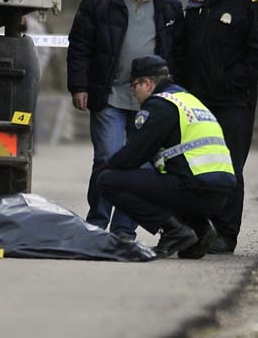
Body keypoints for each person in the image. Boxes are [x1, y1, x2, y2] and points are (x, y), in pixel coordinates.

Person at [67, 0, 183, 240]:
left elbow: (177, 52)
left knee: (142, 165)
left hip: (150, 102)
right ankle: (97, 223)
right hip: (110, 95)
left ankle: (123, 230)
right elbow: (80, 46)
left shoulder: (169, 6)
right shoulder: (99, 1)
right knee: (107, 157)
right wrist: (79, 86)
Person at [175, 0, 258, 254]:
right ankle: (196, 228)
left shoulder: (254, 1)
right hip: (196, 99)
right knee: (193, 163)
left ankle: (226, 232)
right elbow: (185, 41)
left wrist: (228, 80)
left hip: (234, 101)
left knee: (229, 166)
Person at [96, 55, 236, 258]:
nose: (134, 94)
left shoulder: (159, 105)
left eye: (134, 87)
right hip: (220, 193)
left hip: (193, 187)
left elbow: (133, 155)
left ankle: (174, 231)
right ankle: (200, 230)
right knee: (161, 177)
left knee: (108, 181)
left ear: (147, 83)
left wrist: (104, 168)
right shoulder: (188, 100)